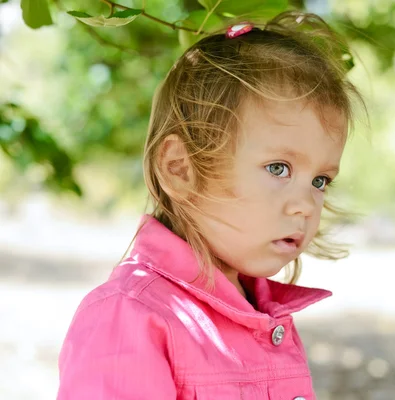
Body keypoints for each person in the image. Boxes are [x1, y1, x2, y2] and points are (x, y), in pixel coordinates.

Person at [57, 10, 362, 400]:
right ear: (181, 169)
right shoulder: (129, 317)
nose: (305, 204)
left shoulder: (262, 314)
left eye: (320, 181)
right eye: (278, 168)